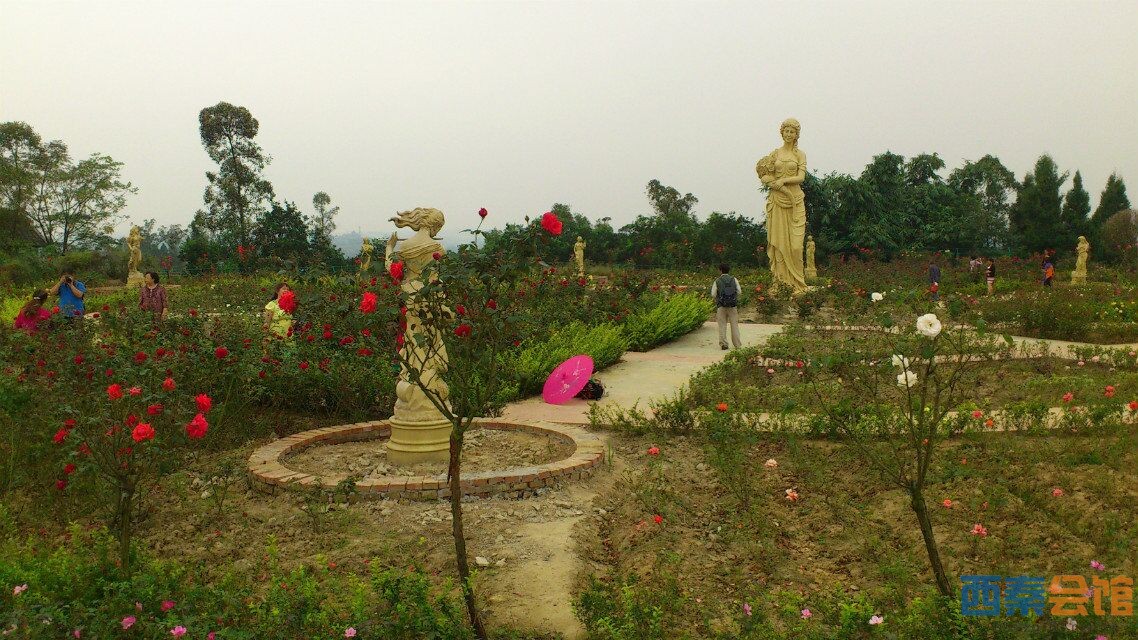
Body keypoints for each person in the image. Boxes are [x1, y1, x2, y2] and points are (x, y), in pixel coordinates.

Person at [711, 264, 741, 351]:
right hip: (732, 306)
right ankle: (737, 344)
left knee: (722, 325)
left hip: (721, 306)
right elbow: (739, 291)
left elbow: (713, 294)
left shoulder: (717, 280)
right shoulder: (734, 279)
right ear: (728, 270)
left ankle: (724, 344)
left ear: (720, 270)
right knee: (734, 325)